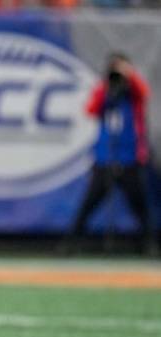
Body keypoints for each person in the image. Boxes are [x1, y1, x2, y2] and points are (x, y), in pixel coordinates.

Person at [66, 52, 155, 255]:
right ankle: (72, 242)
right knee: (89, 204)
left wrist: (128, 75)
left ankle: (148, 244)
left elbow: (144, 92)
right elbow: (90, 109)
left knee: (140, 206)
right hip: (105, 158)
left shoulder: (134, 94)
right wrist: (108, 86)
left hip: (131, 157)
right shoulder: (105, 91)